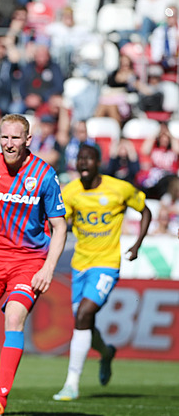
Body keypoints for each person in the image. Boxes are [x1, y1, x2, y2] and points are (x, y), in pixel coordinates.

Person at [0, 113, 68, 416]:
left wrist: (48, 268)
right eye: (4, 137)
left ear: (28, 140)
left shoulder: (44, 175)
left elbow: (60, 227)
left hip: (28, 261)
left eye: (15, 138)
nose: (9, 143)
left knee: (14, 317)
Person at [53, 143, 151, 401]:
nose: (83, 164)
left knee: (84, 314)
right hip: (80, 264)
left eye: (88, 159)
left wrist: (137, 244)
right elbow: (61, 223)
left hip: (107, 263)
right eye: (79, 159)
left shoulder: (119, 188)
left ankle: (71, 384)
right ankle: (106, 352)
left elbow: (145, 211)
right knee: (82, 322)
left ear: (98, 162)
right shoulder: (71, 191)